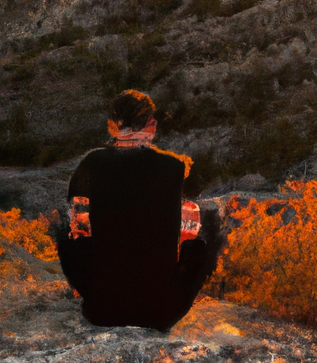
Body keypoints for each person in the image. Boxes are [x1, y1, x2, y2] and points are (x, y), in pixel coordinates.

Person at [57, 90, 222, 330]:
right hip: (163, 311)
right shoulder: (174, 166)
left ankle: (94, 292)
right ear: (151, 126)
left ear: (112, 125)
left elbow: (77, 226)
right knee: (211, 225)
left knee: (63, 230)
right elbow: (189, 225)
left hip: (102, 310)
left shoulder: (91, 164)